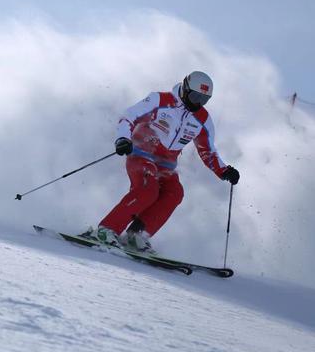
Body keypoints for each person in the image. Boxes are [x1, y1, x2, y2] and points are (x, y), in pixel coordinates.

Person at [95, 71, 240, 252]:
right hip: (141, 154)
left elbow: (207, 151)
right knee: (148, 190)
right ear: (185, 88)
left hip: (165, 166)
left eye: (203, 100)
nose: (197, 103)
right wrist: (123, 138)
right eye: (195, 97)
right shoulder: (161, 101)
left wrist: (224, 171)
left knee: (175, 192)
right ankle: (106, 230)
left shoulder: (203, 120)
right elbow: (129, 116)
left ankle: (136, 236)